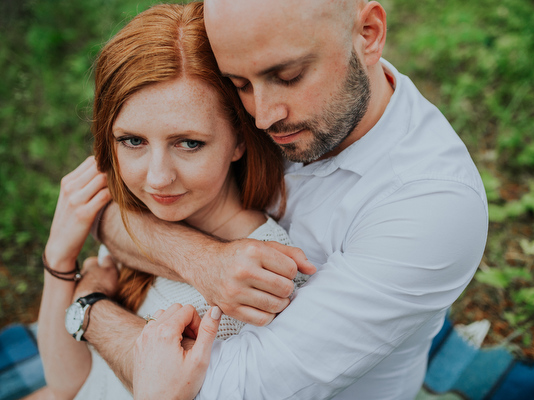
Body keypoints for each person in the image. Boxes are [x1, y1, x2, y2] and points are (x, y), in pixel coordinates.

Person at [77, 0, 489, 399]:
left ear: (369, 35)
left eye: (288, 76)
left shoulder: (433, 206)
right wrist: (202, 261)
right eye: (238, 84)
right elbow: (106, 201)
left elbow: (221, 389)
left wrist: (89, 309)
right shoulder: (270, 100)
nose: (261, 117)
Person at [36, 3, 311, 400]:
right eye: (133, 141)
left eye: (189, 143)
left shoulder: (264, 283)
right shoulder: (140, 219)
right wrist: (59, 260)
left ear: (238, 139)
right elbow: (67, 381)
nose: (157, 178)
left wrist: (87, 300)